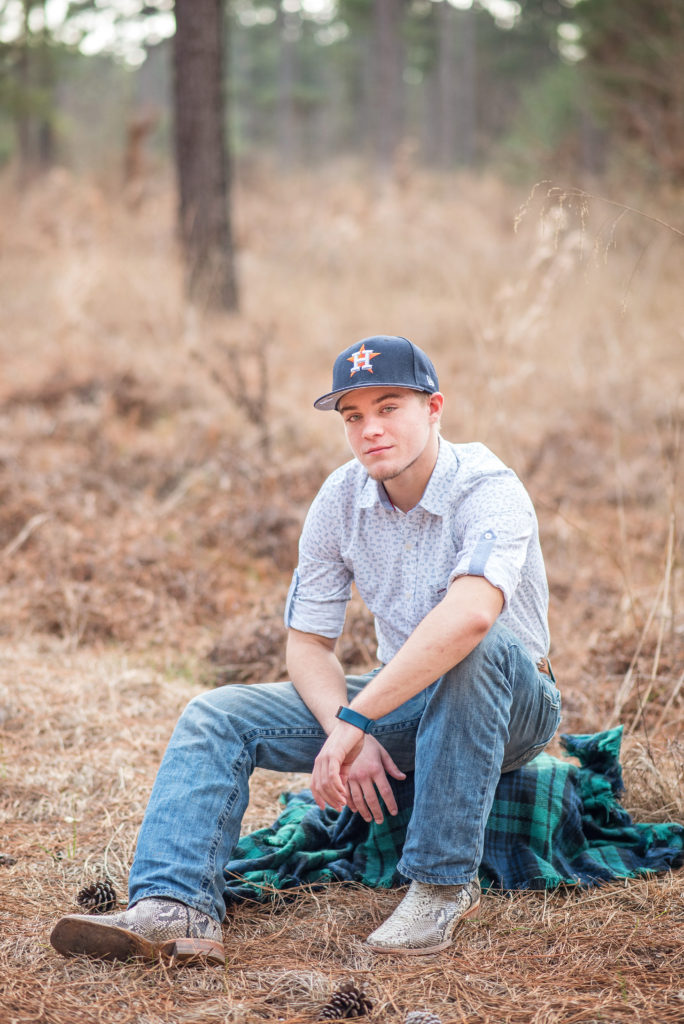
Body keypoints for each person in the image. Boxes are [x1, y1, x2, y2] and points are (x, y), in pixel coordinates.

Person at [50, 335, 561, 963]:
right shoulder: (340, 499)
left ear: (434, 409)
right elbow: (308, 644)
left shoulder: (487, 486)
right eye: (354, 416)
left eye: (389, 407)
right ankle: (174, 906)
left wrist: (358, 716)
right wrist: (345, 726)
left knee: (473, 649)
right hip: (406, 698)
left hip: (516, 701)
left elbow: (472, 617)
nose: (370, 429)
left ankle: (440, 885)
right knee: (218, 715)